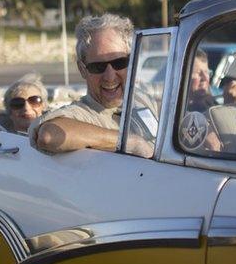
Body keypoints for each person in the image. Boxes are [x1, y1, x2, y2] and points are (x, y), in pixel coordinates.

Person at [31, 13, 153, 157]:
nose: (110, 76)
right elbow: (49, 136)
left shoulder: (141, 98)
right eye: (98, 67)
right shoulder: (81, 115)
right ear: (82, 70)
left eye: (119, 63)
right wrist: (131, 142)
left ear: (131, 62)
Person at [186, 49, 217, 113]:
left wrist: (232, 104)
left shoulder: (212, 104)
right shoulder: (177, 109)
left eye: (206, 72)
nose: (205, 78)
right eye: (198, 72)